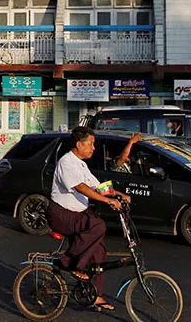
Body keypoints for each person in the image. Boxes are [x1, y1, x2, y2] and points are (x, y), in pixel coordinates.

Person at [47, 126, 131, 313]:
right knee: (97, 225)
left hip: (78, 213)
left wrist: (118, 194)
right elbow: (81, 188)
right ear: (79, 144)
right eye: (91, 144)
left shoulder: (81, 164)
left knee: (99, 253)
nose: (93, 148)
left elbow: (97, 186)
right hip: (62, 214)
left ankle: (95, 295)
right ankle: (69, 261)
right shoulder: (66, 162)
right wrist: (107, 201)